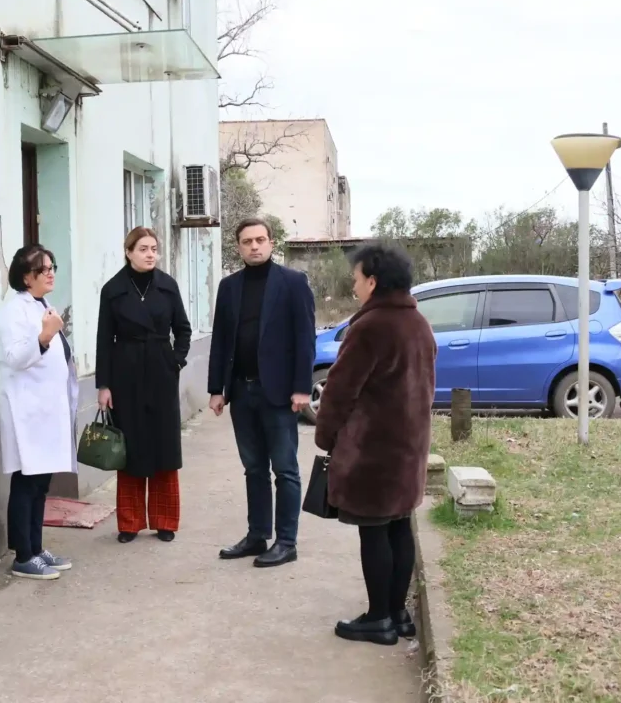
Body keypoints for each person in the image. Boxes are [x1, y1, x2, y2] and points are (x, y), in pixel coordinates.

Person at [313, 242, 437, 645]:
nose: (353, 287)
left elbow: (339, 391)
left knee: (373, 531)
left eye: (356, 279)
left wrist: (326, 436)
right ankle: (398, 614)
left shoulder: (369, 326)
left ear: (373, 280)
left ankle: (378, 618)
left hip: (372, 451)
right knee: (399, 526)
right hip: (409, 446)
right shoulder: (418, 322)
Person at [207, 218, 316, 567]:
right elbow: (221, 340)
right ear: (238, 247)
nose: (254, 246)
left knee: (285, 469)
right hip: (242, 390)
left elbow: (305, 339)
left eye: (260, 240)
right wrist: (216, 389)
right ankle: (257, 536)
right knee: (253, 468)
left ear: (271, 243)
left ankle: (286, 541)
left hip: (281, 394)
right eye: (246, 241)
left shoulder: (293, 283)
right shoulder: (229, 287)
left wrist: (302, 387)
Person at [96, 227, 192, 543]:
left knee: (164, 445)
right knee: (131, 447)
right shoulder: (113, 290)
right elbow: (103, 341)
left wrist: (175, 360)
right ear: (129, 252)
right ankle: (130, 522)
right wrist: (104, 385)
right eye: (143, 248)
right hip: (125, 374)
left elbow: (183, 329)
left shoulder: (168, 286)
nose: (150, 254)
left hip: (162, 373)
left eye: (154, 248)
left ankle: (165, 520)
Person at [0, 244, 78, 580]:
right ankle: (22, 555)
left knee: (41, 482)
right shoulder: (13, 310)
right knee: (27, 482)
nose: (50, 273)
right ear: (26, 277)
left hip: (47, 410)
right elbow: (15, 357)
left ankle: (36, 545)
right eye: (43, 269)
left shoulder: (41, 304)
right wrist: (45, 337)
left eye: (52, 266)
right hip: (27, 412)